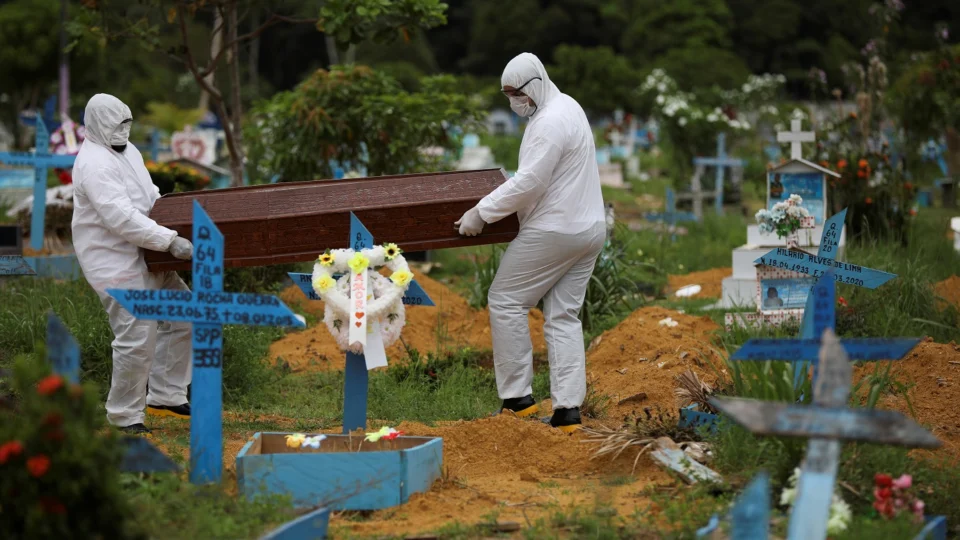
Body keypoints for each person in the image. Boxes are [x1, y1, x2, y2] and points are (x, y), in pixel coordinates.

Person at [455, 53, 606, 433]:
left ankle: (517, 400)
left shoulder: (549, 121)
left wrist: (482, 212)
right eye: (507, 95)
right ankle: (567, 412)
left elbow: (531, 183)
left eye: (517, 93)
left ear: (535, 85)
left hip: (557, 229)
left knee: (505, 299)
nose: (513, 101)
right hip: (589, 228)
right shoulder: (568, 105)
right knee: (563, 316)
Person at [71, 94, 195, 434]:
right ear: (98, 124)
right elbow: (120, 217)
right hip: (115, 262)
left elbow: (148, 194)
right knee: (137, 336)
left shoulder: (128, 151)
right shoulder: (94, 164)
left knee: (185, 315)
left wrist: (172, 215)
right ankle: (124, 416)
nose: (123, 130)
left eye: (127, 123)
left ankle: (166, 395)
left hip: (148, 255)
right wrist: (169, 240)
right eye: (116, 125)